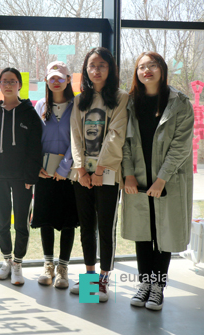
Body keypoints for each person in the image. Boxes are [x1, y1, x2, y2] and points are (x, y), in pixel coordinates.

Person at [122, 52, 194, 311]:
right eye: (142, 66)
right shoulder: (129, 102)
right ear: (136, 73)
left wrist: (162, 179)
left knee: (164, 232)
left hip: (169, 180)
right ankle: (144, 284)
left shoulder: (179, 103)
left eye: (152, 65)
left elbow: (181, 146)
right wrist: (128, 173)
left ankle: (158, 287)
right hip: (138, 178)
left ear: (162, 69)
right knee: (143, 232)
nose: (147, 70)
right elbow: (124, 141)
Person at [69, 47, 129, 302]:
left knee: (105, 226)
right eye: (92, 66)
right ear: (86, 70)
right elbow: (75, 135)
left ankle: (104, 280)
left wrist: (100, 169)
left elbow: (116, 135)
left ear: (110, 69)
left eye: (102, 65)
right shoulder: (79, 100)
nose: (96, 70)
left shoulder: (121, 97)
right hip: (82, 175)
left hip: (108, 174)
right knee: (86, 227)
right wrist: (81, 169)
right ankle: (89, 278)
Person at [0, 67, 43, 286]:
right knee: (2, 222)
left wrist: (30, 176)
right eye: (4, 81)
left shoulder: (29, 113)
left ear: (19, 85)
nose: (8, 85)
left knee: (21, 224)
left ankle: (18, 263)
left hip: (22, 179)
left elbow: (35, 148)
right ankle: (6, 260)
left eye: (12, 81)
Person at [31, 61, 78, 289]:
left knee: (68, 221)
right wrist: (37, 165)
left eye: (61, 77)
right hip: (45, 174)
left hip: (70, 174)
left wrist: (64, 167)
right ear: (46, 81)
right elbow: (33, 139)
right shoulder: (40, 105)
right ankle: (48, 265)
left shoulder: (77, 106)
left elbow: (79, 140)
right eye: (52, 78)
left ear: (69, 80)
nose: (56, 81)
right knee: (46, 220)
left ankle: (63, 269)